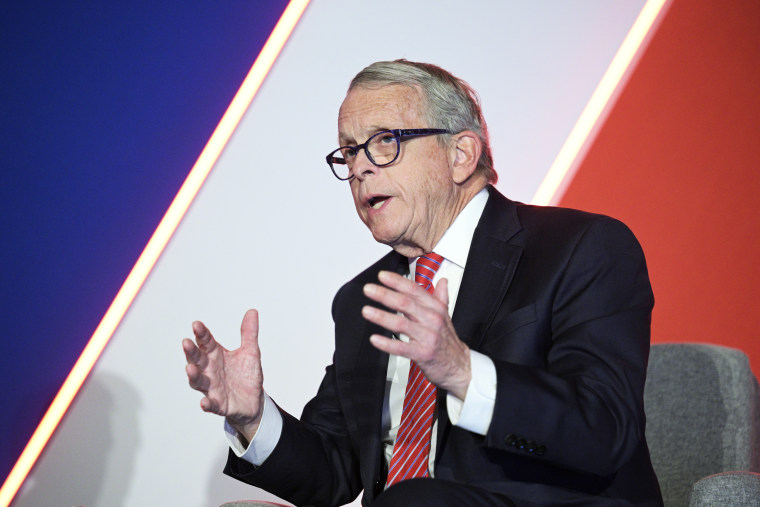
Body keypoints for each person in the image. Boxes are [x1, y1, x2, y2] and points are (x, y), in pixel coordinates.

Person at [183, 59, 663, 506]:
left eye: (385, 141)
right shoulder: (363, 299)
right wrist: (252, 418)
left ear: (461, 154)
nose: (360, 167)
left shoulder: (580, 248)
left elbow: (605, 430)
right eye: (349, 151)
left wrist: (462, 371)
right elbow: (335, 470)